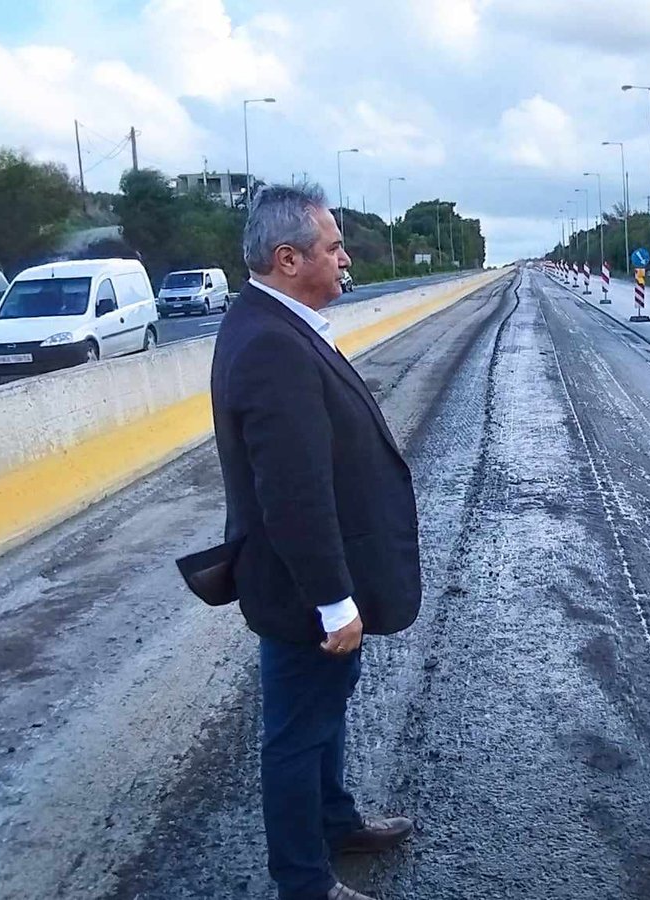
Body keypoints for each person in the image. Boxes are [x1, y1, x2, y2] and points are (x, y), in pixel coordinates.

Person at [210, 183, 422, 900]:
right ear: (287, 257)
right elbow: (292, 494)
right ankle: (303, 882)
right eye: (333, 247)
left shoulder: (277, 323)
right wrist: (334, 600)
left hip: (311, 582)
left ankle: (336, 822)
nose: (345, 258)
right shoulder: (272, 343)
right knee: (296, 736)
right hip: (302, 589)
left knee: (323, 716)